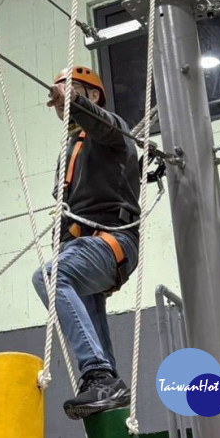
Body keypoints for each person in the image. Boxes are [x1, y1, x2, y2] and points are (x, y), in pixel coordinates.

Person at [32, 65, 141, 420]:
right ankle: (105, 384)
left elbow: (100, 123)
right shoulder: (70, 152)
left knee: (49, 277)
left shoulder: (111, 133)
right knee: (74, 290)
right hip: (84, 247)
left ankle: (97, 371)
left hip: (112, 240)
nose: (61, 101)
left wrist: (75, 102)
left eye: (74, 90)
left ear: (93, 96)